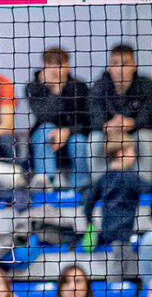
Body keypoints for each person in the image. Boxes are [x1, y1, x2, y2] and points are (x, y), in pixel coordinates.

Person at [26, 47, 92, 190]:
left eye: (60, 64)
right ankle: (45, 181)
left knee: (79, 142)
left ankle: (80, 187)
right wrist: (55, 89)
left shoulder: (79, 87)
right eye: (51, 64)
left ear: (68, 66)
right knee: (46, 129)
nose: (56, 69)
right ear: (44, 66)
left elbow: (86, 119)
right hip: (46, 137)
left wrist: (68, 131)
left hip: (74, 135)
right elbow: (44, 116)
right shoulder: (33, 87)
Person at [89, 44, 152, 177]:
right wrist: (106, 126)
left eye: (125, 63)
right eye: (115, 63)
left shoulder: (146, 85)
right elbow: (93, 117)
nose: (120, 69)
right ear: (109, 66)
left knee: (145, 137)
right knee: (94, 139)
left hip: (134, 134)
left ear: (134, 65)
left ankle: (144, 184)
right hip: (108, 136)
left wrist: (132, 123)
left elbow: (148, 115)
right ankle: (99, 184)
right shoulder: (99, 87)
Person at [80, 137, 151, 252]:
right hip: (124, 236)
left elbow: (88, 201)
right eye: (132, 152)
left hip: (106, 234)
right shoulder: (131, 178)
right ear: (121, 154)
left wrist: (90, 222)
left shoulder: (104, 178)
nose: (134, 156)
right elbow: (149, 188)